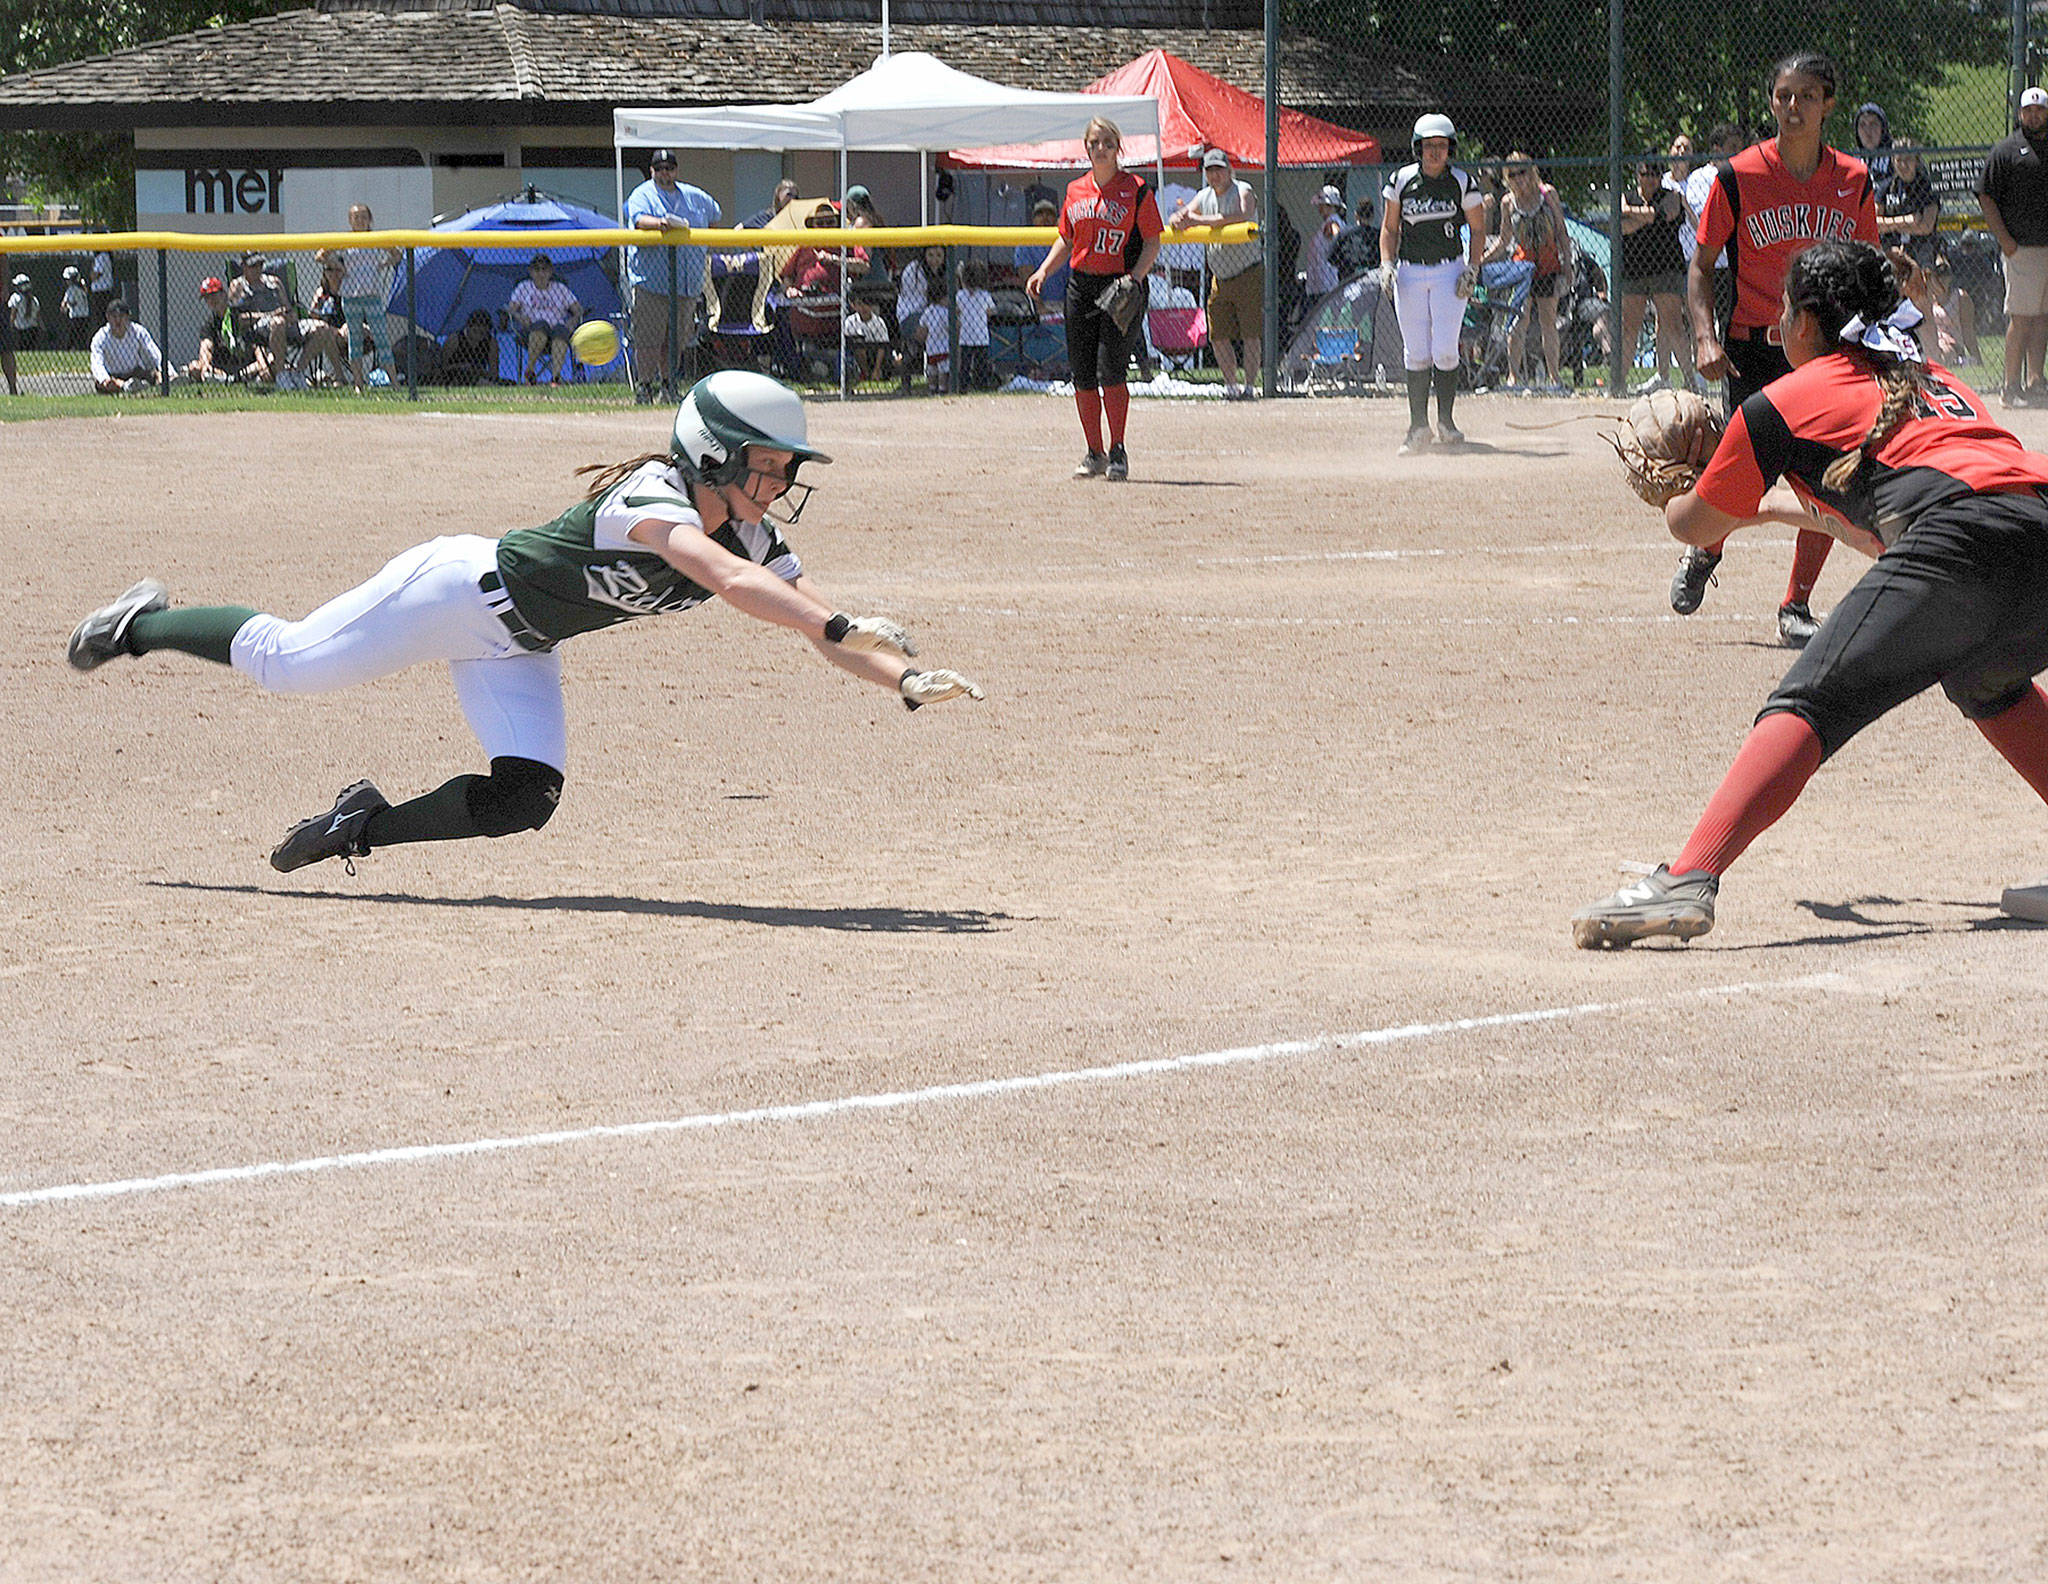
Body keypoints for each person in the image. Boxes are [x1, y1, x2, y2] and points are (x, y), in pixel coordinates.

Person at [64, 370, 984, 875]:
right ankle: (144, 623)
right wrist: (835, 631)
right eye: (770, 463)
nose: (782, 482)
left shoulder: (751, 526)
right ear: (714, 454)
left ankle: (359, 828)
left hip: (519, 642)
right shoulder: (649, 497)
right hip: (456, 593)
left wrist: (895, 675)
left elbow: (816, 613)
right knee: (287, 665)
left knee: (526, 797)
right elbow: (730, 585)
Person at [1572, 239, 2048, 945]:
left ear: (1804, 325)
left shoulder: (1782, 401)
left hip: (1962, 537)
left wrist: (1675, 490)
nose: (1777, 327)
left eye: (1785, 312)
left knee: (1809, 701)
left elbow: (1695, 524)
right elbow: (1880, 524)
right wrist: (1761, 504)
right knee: (1983, 675)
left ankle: (1687, 880)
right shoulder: (1927, 377)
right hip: (2035, 520)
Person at [1682, 50, 1880, 648]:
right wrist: (1704, 335)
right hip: (1754, 352)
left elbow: (1867, 266)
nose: (1793, 108)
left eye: (1806, 97)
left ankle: (1795, 603)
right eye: (1783, 96)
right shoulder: (1737, 177)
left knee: (1825, 483)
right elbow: (1700, 267)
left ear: (1828, 105)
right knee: (1739, 477)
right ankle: (1706, 548)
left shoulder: (1852, 180)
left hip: (1823, 355)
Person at [1025, 116, 1163, 482]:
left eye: (1107, 143)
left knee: (1111, 371)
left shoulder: (1136, 190)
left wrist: (1135, 278)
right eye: (1094, 143)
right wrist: (1043, 271)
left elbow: (1152, 240)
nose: (1100, 149)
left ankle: (1118, 450)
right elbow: (1067, 239)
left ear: (1119, 148)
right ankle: (1094, 452)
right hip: (1081, 288)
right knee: (1083, 374)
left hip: (1120, 287)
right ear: (1086, 148)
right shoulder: (1075, 190)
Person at [1379, 111, 1487, 453]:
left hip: (1448, 271)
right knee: (1416, 351)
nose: (1435, 152)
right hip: (1410, 271)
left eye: (1441, 145)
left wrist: (1472, 268)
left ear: (1450, 148)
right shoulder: (1401, 180)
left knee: (1444, 348)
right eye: (1428, 146)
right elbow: (1390, 228)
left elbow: (1479, 227)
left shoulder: (1461, 182)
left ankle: (1446, 422)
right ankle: (1417, 428)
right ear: (1418, 148)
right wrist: (1386, 263)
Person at [625, 148, 722, 404]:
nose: (665, 173)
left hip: (687, 283)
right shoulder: (643, 194)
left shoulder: (694, 196)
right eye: (660, 169)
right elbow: (637, 219)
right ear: (652, 171)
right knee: (649, 338)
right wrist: (660, 224)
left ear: (676, 170)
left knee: (675, 340)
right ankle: (644, 387)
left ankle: (668, 386)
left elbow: (715, 216)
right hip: (652, 283)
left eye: (669, 168)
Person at [1168, 149, 1263, 401]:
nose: (1215, 175)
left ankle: (1250, 387)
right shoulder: (1203, 196)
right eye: (1210, 170)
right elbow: (1184, 214)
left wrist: (1198, 222)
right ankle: (1231, 386)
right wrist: (1179, 217)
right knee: (1218, 334)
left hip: (1247, 271)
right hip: (1219, 275)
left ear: (1229, 169)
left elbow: (1242, 215)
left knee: (1250, 333)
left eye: (1219, 169)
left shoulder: (1243, 190)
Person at [1978, 87, 2048, 409]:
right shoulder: (2006, 150)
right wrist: (2004, 239)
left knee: (2042, 318)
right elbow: (1985, 195)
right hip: (2022, 249)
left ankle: (2035, 381)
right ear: (2019, 114)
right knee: (2021, 319)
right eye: (2028, 110)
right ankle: (2009, 387)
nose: (2034, 115)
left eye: (2040, 109)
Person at [1489, 152, 1574, 391]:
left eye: (1522, 172)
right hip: (1521, 268)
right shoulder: (1508, 202)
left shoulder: (1547, 195)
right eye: (1512, 174)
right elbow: (1505, 239)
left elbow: (1561, 231)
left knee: (1549, 321)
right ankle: (1513, 377)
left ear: (1532, 171)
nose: (1518, 179)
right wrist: (1480, 260)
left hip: (1547, 265)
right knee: (1518, 321)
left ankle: (1554, 378)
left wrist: (1567, 267)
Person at [1619, 160, 1696, 395]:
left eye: (1655, 174)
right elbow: (1622, 228)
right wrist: (1648, 216)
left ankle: (1690, 381)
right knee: (1629, 328)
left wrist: (1632, 213)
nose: (1650, 179)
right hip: (1634, 270)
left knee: (1673, 325)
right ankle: (1618, 382)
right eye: (1645, 174)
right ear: (1637, 176)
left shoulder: (1672, 195)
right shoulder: (1627, 196)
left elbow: (1665, 214)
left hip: (1666, 269)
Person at [340, 203, 400, 384]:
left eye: (364, 217)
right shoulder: (344, 239)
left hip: (372, 295)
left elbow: (396, 255)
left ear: (370, 220)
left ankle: (394, 382)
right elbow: (321, 255)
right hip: (351, 296)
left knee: (381, 339)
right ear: (350, 221)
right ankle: (358, 382)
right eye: (356, 217)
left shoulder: (376, 239)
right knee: (355, 340)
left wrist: (383, 265)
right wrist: (338, 267)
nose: (360, 221)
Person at [507, 253, 583, 384]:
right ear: (531, 272)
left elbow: (578, 309)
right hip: (531, 331)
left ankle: (556, 377)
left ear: (550, 272)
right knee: (541, 325)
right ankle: (530, 370)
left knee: (561, 330)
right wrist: (520, 317)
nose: (541, 273)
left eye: (544, 269)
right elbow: (510, 309)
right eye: (537, 269)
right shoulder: (524, 287)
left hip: (557, 330)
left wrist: (573, 320)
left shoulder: (560, 288)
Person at [182, 275, 261, 384]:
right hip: (221, 369)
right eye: (207, 297)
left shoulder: (239, 316)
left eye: (214, 295)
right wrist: (205, 364)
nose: (211, 300)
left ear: (224, 294)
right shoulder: (211, 324)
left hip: (246, 366)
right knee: (194, 367)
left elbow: (257, 347)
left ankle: (236, 379)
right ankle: (224, 379)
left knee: (268, 360)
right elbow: (206, 347)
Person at [1877, 144, 1940, 273]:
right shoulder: (1886, 187)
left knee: (1926, 269)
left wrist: (1890, 225)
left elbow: (1926, 227)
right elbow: (1875, 224)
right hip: (1891, 245)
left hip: (1921, 245)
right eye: (1899, 160)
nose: (1903, 165)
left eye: (1908, 159)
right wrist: (1906, 220)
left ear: (1916, 161)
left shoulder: (1927, 187)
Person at [307, 253, 365, 390]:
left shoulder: (351, 292)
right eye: (329, 270)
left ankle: (354, 378)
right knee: (325, 333)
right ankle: (339, 376)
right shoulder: (322, 294)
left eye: (337, 270)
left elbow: (364, 319)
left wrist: (350, 326)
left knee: (343, 332)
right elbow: (313, 319)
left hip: (352, 333)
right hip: (329, 335)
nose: (333, 274)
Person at [88, 299, 162, 395]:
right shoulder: (100, 337)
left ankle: (163, 382)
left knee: (155, 374)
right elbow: (97, 363)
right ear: (108, 317)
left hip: (135, 372)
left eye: (121, 316)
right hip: (113, 376)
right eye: (114, 317)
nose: (118, 320)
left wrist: (166, 370)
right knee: (101, 383)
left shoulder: (137, 331)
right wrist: (104, 379)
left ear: (127, 318)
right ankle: (126, 387)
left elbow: (154, 352)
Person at [1013, 199, 1067, 315]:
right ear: (1033, 220)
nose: (1045, 218)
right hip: (1035, 306)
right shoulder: (1025, 244)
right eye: (1040, 214)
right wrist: (1040, 307)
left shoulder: (1064, 243)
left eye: (1049, 214)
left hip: (1064, 305)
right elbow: (1027, 277)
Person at [1930, 254, 1982, 365]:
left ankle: (1960, 360)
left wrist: (1977, 357)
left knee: (1939, 357)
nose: (1942, 278)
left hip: (1952, 344)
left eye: (1946, 273)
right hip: (1932, 341)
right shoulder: (1928, 298)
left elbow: (1968, 331)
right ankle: (1958, 363)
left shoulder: (1960, 297)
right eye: (1938, 274)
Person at [953, 259, 995, 391]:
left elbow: (957, 310)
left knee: (965, 364)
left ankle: (963, 386)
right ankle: (981, 385)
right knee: (981, 363)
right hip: (981, 335)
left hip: (965, 336)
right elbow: (990, 311)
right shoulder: (985, 295)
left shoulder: (960, 295)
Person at [1303, 183, 1347, 305]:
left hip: (1326, 284)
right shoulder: (1329, 222)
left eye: (1322, 205)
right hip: (1322, 283)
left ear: (1330, 205)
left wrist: (1336, 237)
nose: (1319, 208)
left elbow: (1336, 233)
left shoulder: (1332, 222)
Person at [843, 296, 893, 382]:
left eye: (866, 304)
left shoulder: (879, 322)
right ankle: (866, 374)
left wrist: (877, 369)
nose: (863, 308)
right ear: (854, 306)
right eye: (859, 304)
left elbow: (882, 347)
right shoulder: (850, 321)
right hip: (857, 354)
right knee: (859, 345)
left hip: (875, 353)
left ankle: (876, 372)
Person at [1852, 102, 1893, 182]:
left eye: (1873, 124)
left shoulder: (1897, 157)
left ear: (1883, 129)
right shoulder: (1853, 159)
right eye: (1862, 125)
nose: (1868, 131)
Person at [8, 273, 42, 353]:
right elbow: (38, 317)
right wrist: (42, 328)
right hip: (33, 329)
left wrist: (10, 325)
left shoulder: (15, 297)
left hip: (20, 330)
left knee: (21, 349)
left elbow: (13, 313)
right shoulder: (34, 299)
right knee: (31, 349)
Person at [60, 266, 91, 350]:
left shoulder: (72, 289)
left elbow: (70, 303)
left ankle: (68, 349)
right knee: (82, 337)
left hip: (76, 317)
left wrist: (66, 305)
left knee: (71, 337)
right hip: (85, 316)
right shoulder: (82, 288)